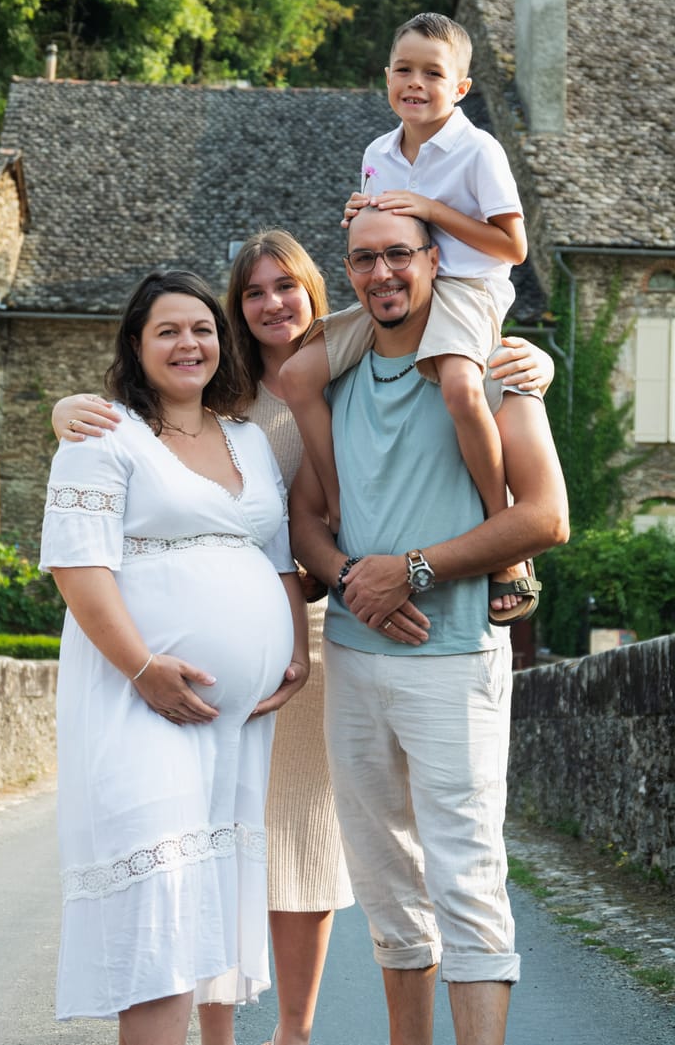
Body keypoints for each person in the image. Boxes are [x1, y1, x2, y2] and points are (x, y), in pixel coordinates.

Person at [52, 234, 554, 1045]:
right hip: (327, 632)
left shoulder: (413, 367)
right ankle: (223, 1034)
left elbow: (538, 502)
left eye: (287, 285)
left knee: (342, 851)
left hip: (361, 645)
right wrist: (62, 407)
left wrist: (408, 571)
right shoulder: (240, 398)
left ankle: (295, 1030)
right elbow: (291, 521)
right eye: (252, 293)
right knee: (226, 850)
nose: (271, 304)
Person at [288, 206, 569, 1045]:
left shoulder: (495, 370)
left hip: (453, 662)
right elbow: (305, 517)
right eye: (364, 259)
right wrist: (349, 577)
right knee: (384, 880)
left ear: (435, 260)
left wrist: (410, 569)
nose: (383, 273)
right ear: (349, 272)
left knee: (466, 877)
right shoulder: (333, 378)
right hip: (354, 656)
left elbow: (547, 516)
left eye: (399, 255)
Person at [40, 269, 309, 1045]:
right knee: (158, 895)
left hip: (239, 719)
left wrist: (293, 653)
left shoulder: (250, 439)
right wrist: (142, 668)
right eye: (167, 330)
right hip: (138, 700)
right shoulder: (101, 433)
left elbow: (278, 555)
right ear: (136, 344)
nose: (188, 343)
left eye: (201, 328)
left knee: (202, 899)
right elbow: (77, 566)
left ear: (221, 344)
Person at [282, 12, 542, 621]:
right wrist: (361, 212)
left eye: (433, 73)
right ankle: (341, 508)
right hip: (398, 285)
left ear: (460, 88)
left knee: (459, 386)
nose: (415, 83)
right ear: (387, 77)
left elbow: (514, 248)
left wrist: (431, 208)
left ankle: (501, 534)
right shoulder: (378, 150)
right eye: (404, 69)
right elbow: (382, 225)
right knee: (297, 376)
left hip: (465, 291)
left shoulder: (479, 150)